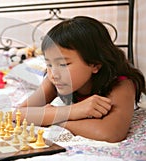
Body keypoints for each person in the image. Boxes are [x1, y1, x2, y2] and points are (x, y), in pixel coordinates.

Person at [17, 16, 145, 143]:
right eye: (49, 64)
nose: (54, 74)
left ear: (95, 64)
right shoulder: (54, 79)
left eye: (63, 64)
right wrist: (73, 111)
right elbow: (18, 114)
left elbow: (110, 133)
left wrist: (51, 117)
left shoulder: (122, 83)